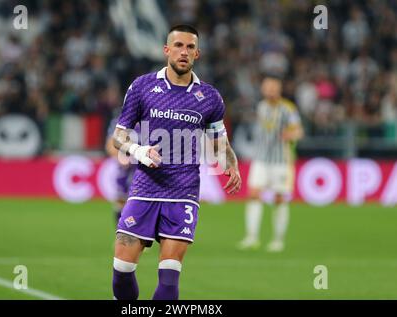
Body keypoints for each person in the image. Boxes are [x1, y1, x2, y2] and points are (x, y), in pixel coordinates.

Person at [111, 24, 241, 300]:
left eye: (190, 47)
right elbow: (118, 137)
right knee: (122, 268)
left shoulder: (209, 97)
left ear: (198, 54)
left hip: (183, 192)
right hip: (145, 188)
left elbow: (220, 141)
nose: (184, 52)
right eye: (179, 46)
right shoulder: (142, 86)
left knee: (169, 277)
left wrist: (232, 163)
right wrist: (138, 150)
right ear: (166, 50)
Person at [238, 76, 303, 252]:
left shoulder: (287, 109)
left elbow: (298, 130)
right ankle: (251, 237)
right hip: (261, 159)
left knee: (279, 199)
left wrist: (291, 135)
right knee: (253, 194)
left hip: (281, 161)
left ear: (278, 89)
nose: (269, 91)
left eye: (273, 87)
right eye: (267, 88)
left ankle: (278, 240)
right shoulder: (261, 107)